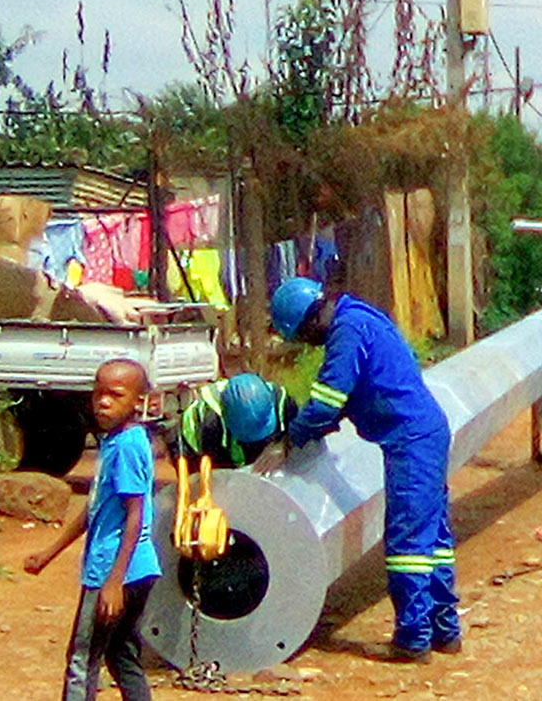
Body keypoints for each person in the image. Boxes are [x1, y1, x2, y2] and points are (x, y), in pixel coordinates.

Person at [263, 276, 460, 663]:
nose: (309, 345)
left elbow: (327, 399)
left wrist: (290, 440)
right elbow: (357, 390)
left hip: (411, 441)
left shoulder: (347, 330)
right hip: (424, 433)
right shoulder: (359, 315)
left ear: (309, 321)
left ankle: (413, 639)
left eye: (305, 336)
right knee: (432, 536)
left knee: (408, 544)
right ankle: (445, 631)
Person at [25, 358, 161, 701]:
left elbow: (135, 514)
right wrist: (49, 553)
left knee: (82, 658)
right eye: (98, 393)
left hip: (114, 569)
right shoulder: (118, 440)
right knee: (121, 654)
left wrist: (113, 581)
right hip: (137, 568)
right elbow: (95, 508)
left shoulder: (127, 446)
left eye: (115, 395)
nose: (103, 402)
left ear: (138, 401)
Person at [170, 372, 292, 469]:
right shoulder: (202, 422)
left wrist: (284, 447)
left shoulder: (283, 404)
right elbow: (186, 469)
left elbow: (301, 440)